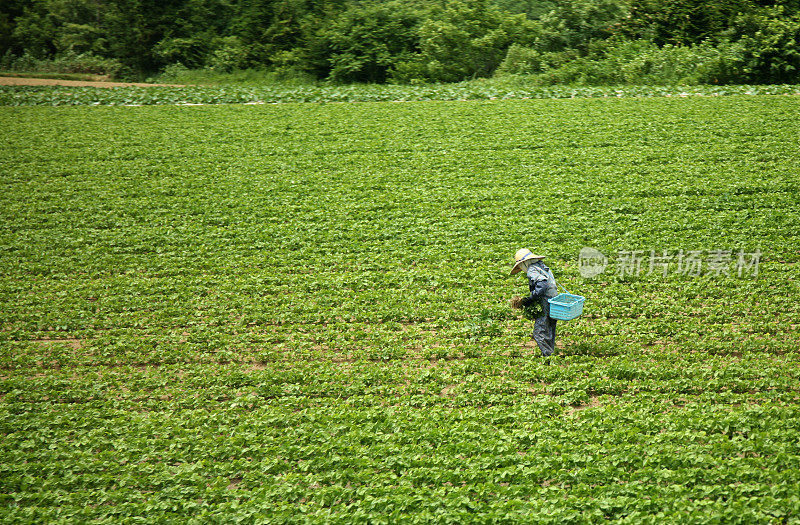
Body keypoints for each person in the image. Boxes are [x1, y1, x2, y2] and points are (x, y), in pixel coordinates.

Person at [509, 248, 559, 357]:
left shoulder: (532, 269)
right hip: (554, 301)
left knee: (539, 332)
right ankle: (550, 354)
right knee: (549, 329)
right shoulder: (542, 266)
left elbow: (542, 284)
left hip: (545, 301)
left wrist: (531, 298)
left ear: (524, 263)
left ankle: (547, 356)